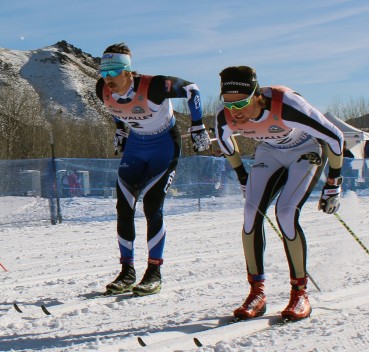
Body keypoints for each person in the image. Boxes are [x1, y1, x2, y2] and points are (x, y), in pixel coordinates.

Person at [214, 66, 344, 321]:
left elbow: (336, 138)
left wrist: (334, 183)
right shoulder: (224, 117)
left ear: (256, 96)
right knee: (251, 213)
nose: (235, 111)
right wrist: (242, 177)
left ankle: (299, 294)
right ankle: (257, 293)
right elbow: (226, 144)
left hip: (305, 150)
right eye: (228, 103)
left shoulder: (287, 105)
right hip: (270, 152)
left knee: (285, 213)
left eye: (241, 102)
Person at [95, 43, 210, 296]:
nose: (107, 78)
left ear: (128, 71)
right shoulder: (101, 89)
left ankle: (154, 271)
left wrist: (198, 125)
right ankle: (127, 271)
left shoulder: (154, 86)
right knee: (124, 206)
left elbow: (192, 89)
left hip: (164, 146)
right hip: (136, 145)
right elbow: (115, 109)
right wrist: (119, 129)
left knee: (152, 206)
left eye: (113, 72)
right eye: (104, 72)